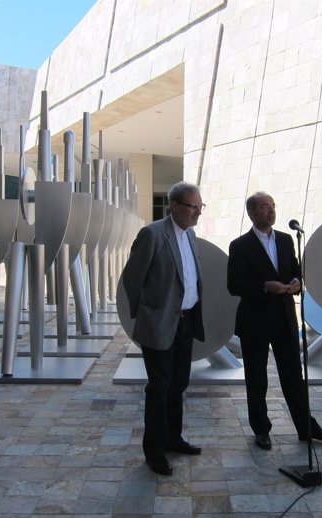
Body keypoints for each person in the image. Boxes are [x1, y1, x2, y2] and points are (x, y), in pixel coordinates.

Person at [227, 192, 322, 450]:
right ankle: (261, 430)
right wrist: (265, 286)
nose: (271, 211)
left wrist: (297, 282)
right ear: (252, 213)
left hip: (284, 320)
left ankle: (306, 427)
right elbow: (234, 285)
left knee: (293, 377)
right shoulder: (239, 245)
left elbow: (295, 270)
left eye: (273, 206)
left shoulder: (287, 240)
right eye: (265, 207)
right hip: (254, 321)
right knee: (256, 379)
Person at [122, 181, 206, 476]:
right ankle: (154, 451)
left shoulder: (191, 234)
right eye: (192, 206)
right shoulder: (153, 234)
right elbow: (131, 279)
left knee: (178, 385)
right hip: (159, 325)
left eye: (200, 206)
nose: (197, 212)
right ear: (174, 206)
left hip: (185, 323)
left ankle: (173, 438)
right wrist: (145, 315)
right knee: (159, 388)